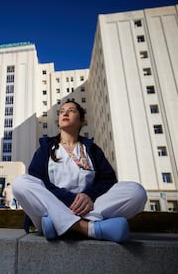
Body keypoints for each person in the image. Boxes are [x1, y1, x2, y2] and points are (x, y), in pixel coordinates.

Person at [12, 101, 147, 243]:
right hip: (52, 206)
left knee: (137, 192)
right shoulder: (46, 148)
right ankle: (89, 229)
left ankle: (60, 224)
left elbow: (108, 180)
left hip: (87, 209)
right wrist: (70, 200)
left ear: (82, 120)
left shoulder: (92, 149)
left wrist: (89, 196)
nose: (65, 113)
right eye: (62, 111)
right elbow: (39, 181)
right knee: (21, 183)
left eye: (71, 110)